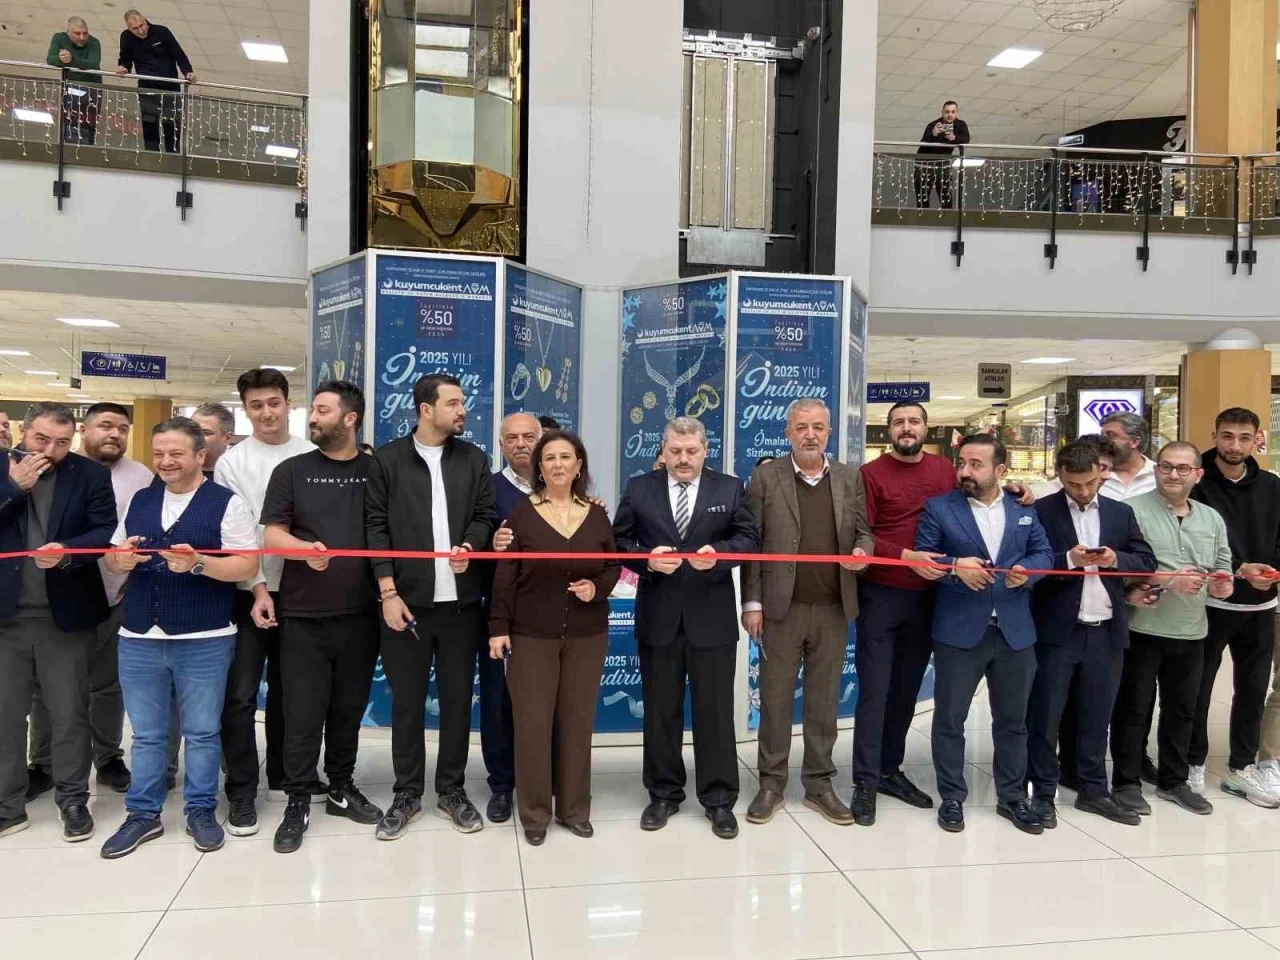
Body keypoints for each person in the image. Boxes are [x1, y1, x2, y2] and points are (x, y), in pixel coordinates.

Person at [97, 418, 258, 858]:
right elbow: (111, 557)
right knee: (147, 735)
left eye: (176, 454)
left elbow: (246, 565)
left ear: (200, 456)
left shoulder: (227, 504)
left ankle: (200, 811)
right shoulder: (141, 500)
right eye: (159, 454)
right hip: (138, 635)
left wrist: (199, 563)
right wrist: (119, 560)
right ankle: (142, 814)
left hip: (205, 637)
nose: (166, 462)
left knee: (202, 732)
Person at [613, 417, 760, 839]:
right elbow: (618, 541)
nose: (682, 459)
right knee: (661, 712)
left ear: (704, 450)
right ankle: (663, 794)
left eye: (691, 451)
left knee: (715, 714)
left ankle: (719, 800)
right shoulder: (639, 488)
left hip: (711, 620)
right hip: (658, 618)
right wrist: (645, 560)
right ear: (663, 449)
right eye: (675, 451)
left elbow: (749, 539)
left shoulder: (729, 488)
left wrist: (721, 554)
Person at [366, 374, 496, 839]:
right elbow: (375, 527)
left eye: (462, 402)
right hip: (405, 604)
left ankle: (451, 790)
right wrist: (388, 593)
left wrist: (471, 545)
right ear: (426, 409)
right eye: (454, 403)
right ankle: (406, 793)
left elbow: (485, 515)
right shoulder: (387, 461)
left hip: (461, 606)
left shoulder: (474, 459)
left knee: (458, 702)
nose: (463, 411)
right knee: (407, 703)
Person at [263, 382, 383, 853]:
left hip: (363, 614)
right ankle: (297, 798)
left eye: (322, 411)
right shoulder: (292, 471)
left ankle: (341, 786)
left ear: (350, 419)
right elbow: (273, 535)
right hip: (303, 614)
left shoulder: (377, 471)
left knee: (348, 710)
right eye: (313, 410)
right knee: (302, 712)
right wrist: (302, 550)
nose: (312, 418)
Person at [741, 399, 874, 827]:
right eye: (801, 427)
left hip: (834, 608)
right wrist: (753, 603)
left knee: (823, 703)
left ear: (829, 432)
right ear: (788, 433)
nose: (810, 434)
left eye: (818, 427)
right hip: (782, 610)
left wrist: (862, 552)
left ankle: (819, 784)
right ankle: (771, 783)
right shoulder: (766, 477)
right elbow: (752, 542)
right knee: (775, 701)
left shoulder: (849, 478)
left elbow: (864, 532)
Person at [915, 433, 1054, 835]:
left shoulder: (1023, 507)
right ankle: (952, 797)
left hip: (1015, 632)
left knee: (1013, 721)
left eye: (976, 465)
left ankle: (1012, 797)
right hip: (959, 632)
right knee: (950, 719)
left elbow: (1044, 553)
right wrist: (954, 566)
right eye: (961, 463)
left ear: (1000, 470)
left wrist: (1029, 572)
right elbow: (925, 556)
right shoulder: (940, 508)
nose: (965, 471)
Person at [489, 430, 619, 845]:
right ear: (539, 469)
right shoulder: (522, 515)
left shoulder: (596, 514)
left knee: (577, 724)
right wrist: (498, 628)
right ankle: (534, 814)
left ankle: (575, 809)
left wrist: (596, 588)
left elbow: (613, 566)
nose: (558, 464)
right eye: (550, 458)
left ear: (579, 466)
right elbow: (505, 575)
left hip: (587, 636)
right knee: (532, 726)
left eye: (566, 457)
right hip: (531, 637)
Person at [0, 402, 116, 842]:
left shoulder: (90, 475)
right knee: (6, 717)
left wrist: (68, 552)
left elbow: (104, 531)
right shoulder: (2, 468)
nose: (50, 450)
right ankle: (8, 806)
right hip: (6, 618)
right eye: (42, 439)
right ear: (23, 431)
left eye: (62, 442)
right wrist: (13, 487)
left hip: (65, 617)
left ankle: (73, 800)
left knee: (69, 714)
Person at [1027, 442, 1155, 828]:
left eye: (1089, 483)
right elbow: (1028, 566)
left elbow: (1146, 561)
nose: (1082, 491)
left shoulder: (1120, 513)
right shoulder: (1040, 512)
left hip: (1106, 632)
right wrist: (1068, 560)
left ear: (1101, 473)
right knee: (1045, 716)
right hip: (1056, 632)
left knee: (1097, 717)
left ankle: (1094, 790)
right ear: (1060, 476)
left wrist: (1116, 559)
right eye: (1073, 484)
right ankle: (1043, 793)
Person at [28, 403, 152, 797]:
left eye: (123, 428)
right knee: (49, 689)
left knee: (108, 685)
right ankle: (42, 763)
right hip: (63, 596)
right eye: (105, 426)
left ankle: (109, 758)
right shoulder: (53, 470)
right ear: (83, 431)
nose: (114, 434)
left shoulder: (142, 476)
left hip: (118, 596)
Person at [214, 369, 316, 838]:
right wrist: (256, 585)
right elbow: (236, 534)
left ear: (288, 404)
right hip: (245, 591)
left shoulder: (309, 454)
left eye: (274, 402)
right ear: (246, 409)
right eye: (256, 405)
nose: (267, 412)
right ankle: (241, 789)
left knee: (291, 692)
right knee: (240, 694)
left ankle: (284, 775)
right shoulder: (232, 462)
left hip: (301, 590)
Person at [1110, 442, 1233, 817]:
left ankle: (1174, 781)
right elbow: (1117, 566)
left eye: (1183, 469)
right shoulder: (1130, 511)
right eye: (1166, 467)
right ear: (1156, 470)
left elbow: (1222, 565)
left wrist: (1222, 584)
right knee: (1133, 710)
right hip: (1142, 629)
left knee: (1182, 711)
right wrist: (1160, 581)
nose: (1173, 475)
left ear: (1198, 474)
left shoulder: (1211, 518)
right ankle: (1126, 782)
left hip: (1192, 631)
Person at [850, 402, 957, 825]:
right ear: (889, 430)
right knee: (874, 692)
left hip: (930, 598)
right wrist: (906, 556)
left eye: (914, 421)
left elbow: (970, 510)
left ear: (926, 428)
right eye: (899, 422)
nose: (906, 428)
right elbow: (862, 534)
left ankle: (889, 770)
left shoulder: (945, 471)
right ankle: (864, 781)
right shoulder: (871, 474)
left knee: (906, 691)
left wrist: (1017, 491)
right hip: (881, 596)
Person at [1186, 408, 1280, 807]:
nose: (1235, 445)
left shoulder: (1272, 486)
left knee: (1252, 690)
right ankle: (1191, 762)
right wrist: (1240, 568)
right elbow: (1192, 538)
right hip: (1209, 604)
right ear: (1214, 436)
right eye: (1227, 436)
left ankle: (1241, 767)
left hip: (1261, 605)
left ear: (1257, 439)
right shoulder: (1196, 482)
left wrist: (1270, 572)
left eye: (1244, 437)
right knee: (1197, 687)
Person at [479, 412, 542, 823]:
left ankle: (543, 778)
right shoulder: (487, 487)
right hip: (499, 612)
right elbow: (472, 534)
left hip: (550, 614)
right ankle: (502, 785)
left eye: (529, 436)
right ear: (501, 445)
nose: (521, 444)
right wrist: (491, 540)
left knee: (546, 700)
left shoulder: (562, 486)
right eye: (512, 438)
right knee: (498, 700)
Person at [115, 9, 195, 154]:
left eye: (142, 25)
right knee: (149, 126)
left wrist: (187, 72)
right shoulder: (126, 37)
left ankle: (172, 157)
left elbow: (178, 54)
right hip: (147, 88)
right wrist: (123, 67)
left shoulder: (162, 32)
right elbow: (125, 58)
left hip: (170, 87)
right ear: (129, 28)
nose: (140, 30)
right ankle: (151, 157)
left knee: (171, 126)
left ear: (145, 20)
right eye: (135, 28)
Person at [47, 16, 102, 146]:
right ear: (68, 32)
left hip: (92, 88)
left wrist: (71, 60)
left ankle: (86, 147)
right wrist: (62, 59)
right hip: (70, 87)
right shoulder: (59, 38)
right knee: (69, 121)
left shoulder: (94, 42)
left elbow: (93, 64)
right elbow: (50, 59)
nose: (82, 37)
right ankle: (69, 147)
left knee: (88, 124)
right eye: (77, 33)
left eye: (85, 33)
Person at [914, 99, 970, 208]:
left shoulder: (960, 125)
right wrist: (933, 134)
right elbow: (923, 143)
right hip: (924, 163)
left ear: (956, 113)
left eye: (953, 112)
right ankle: (923, 216)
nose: (950, 115)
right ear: (942, 112)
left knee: (945, 194)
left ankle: (947, 215)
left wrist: (954, 138)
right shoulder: (933, 125)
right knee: (923, 195)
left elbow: (966, 139)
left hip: (943, 163)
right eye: (947, 112)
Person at [1100, 412, 1156, 501]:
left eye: (1111, 436)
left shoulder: (1158, 475)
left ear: (1134, 442)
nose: (1102, 441)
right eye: (1102, 436)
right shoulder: (1094, 474)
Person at [191, 402, 235, 478]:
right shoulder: (174, 472)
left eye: (205, 433)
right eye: (192, 431)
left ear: (227, 438)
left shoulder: (236, 476)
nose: (195, 437)